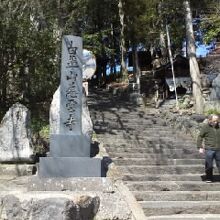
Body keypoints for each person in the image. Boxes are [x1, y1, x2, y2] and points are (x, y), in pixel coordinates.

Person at [197, 114, 220, 182]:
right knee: (209, 165)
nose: (216, 122)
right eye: (214, 121)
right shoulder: (205, 127)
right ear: (210, 120)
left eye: (217, 121)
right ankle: (209, 178)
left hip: (218, 149)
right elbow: (200, 136)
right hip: (209, 149)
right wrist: (200, 147)